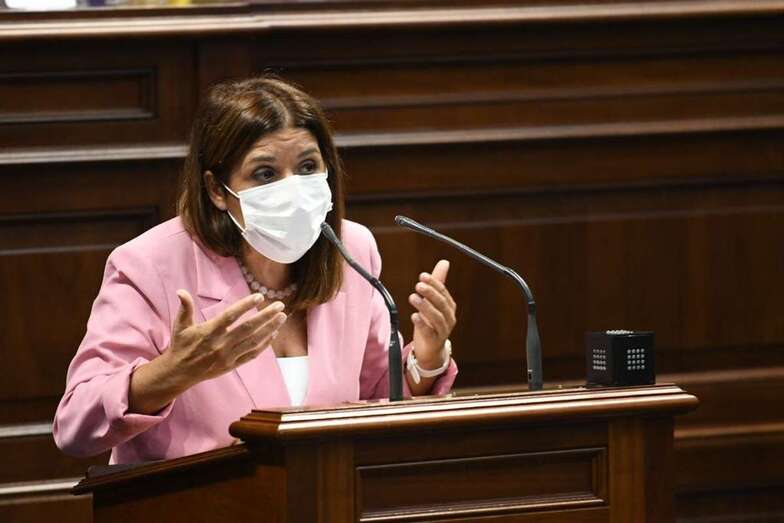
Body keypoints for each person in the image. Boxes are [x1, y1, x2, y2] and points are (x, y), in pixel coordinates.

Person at [53, 76, 458, 464]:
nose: (293, 189)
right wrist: (174, 372)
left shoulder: (351, 249)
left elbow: (375, 398)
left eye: (307, 167)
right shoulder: (150, 264)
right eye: (265, 173)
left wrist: (426, 356)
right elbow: (76, 425)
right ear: (216, 190)